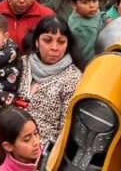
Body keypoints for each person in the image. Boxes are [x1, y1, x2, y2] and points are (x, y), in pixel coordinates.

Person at [18, 16, 82, 147]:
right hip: (10, 139)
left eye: (61, 42)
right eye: (47, 40)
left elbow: (65, 129)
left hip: (42, 150)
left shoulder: (73, 77)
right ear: (37, 42)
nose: (54, 47)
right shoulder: (22, 64)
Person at [0, 107, 41, 171]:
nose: (36, 142)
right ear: (8, 146)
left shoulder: (48, 155)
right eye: (27, 139)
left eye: (36, 133)